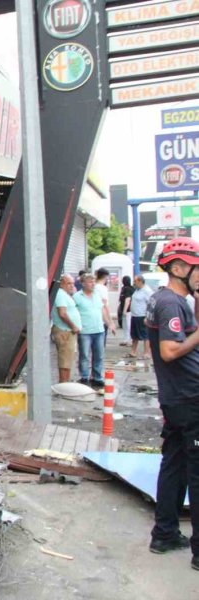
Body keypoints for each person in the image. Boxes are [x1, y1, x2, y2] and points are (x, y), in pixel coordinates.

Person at [144, 237, 199, 567]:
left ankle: (164, 534)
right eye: (196, 268)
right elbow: (169, 350)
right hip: (191, 398)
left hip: (177, 398)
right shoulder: (170, 304)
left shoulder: (171, 299)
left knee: (175, 464)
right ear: (178, 268)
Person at [74, 274, 115, 388]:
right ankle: (84, 377)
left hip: (99, 329)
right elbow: (73, 313)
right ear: (83, 283)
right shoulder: (77, 297)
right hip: (85, 331)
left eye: (93, 281)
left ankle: (97, 377)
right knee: (85, 355)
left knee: (99, 355)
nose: (93, 284)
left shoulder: (97, 295)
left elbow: (102, 310)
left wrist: (109, 323)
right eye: (90, 282)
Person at [51, 274, 81, 383]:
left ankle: (66, 382)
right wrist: (73, 326)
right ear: (62, 283)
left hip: (68, 331)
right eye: (69, 283)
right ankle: (63, 383)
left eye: (73, 283)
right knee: (65, 359)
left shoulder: (65, 295)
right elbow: (62, 314)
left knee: (68, 359)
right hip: (65, 331)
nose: (72, 286)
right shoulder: (60, 295)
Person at [128, 275, 152, 360]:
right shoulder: (137, 290)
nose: (134, 283)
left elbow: (150, 304)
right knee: (134, 335)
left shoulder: (147, 291)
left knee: (145, 335)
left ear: (140, 281)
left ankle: (146, 353)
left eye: (135, 281)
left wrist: (147, 316)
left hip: (142, 316)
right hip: (135, 315)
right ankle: (133, 351)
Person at [95, 268, 115, 343]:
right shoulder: (102, 288)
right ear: (106, 277)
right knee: (101, 344)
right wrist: (110, 321)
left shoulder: (94, 287)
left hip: (94, 318)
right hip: (102, 320)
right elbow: (105, 306)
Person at [118, 275, 135, 341]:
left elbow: (127, 299)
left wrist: (125, 310)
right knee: (124, 325)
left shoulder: (128, 289)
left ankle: (129, 339)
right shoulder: (124, 288)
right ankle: (125, 338)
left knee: (128, 325)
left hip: (128, 310)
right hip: (123, 308)